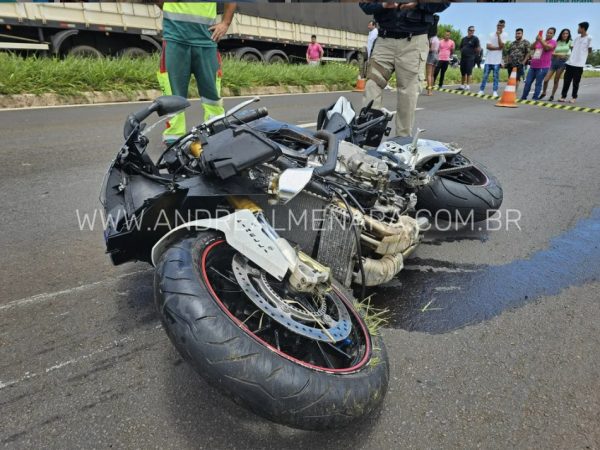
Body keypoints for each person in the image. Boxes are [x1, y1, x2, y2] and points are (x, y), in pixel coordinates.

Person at [359, 1, 450, 137]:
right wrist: (383, 4)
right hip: (384, 40)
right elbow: (364, 4)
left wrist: (418, 3)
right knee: (372, 86)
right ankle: (367, 140)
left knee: (408, 94)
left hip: (414, 41)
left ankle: (401, 142)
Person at [157, 1, 236, 144]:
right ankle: (174, 138)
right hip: (175, 39)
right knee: (173, 93)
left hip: (206, 41)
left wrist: (225, 23)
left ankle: (215, 133)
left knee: (211, 94)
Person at [559, 22, 592, 103]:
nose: (577, 29)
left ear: (583, 28)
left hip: (579, 64)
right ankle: (563, 96)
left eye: (579, 28)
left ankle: (574, 97)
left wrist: (583, 55)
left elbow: (590, 50)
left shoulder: (589, 38)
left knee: (576, 82)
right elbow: (572, 47)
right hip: (570, 63)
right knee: (566, 81)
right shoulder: (577, 38)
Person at [521, 28, 556, 101]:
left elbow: (546, 48)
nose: (548, 34)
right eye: (548, 32)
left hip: (543, 67)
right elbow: (531, 47)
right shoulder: (540, 41)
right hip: (533, 65)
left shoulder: (553, 42)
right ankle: (523, 97)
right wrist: (537, 40)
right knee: (527, 82)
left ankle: (535, 98)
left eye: (551, 33)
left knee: (538, 83)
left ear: (553, 35)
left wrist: (540, 40)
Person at [540, 28, 572, 101]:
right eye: (563, 33)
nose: (565, 35)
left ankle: (552, 95)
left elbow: (570, 54)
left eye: (567, 33)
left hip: (562, 63)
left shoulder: (570, 42)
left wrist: (565, 55)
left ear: (568, 35)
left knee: (556, 80)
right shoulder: (557, 42)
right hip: (554, 62)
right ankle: (544, 92)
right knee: (546, 79)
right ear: (561, 34)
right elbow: (552, 53)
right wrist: (561, 54)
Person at [478, 20, 508, 98]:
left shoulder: (505, 35)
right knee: (485, 76)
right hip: (488, 59)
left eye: (501, 25)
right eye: (498, 25)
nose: (499, 26)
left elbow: (502, 46)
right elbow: (488, 47)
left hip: (497, 61)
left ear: (503, 26)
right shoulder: (491, 34)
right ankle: (481, 90)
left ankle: (495, 91)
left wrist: (498, 36)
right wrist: (498, 48)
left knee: (496, 76)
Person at [458, 25, 480, 90]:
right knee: (463, 71)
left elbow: (477, 48)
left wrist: (476, 55)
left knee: (468, 71)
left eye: (473, 30)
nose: (472, 31)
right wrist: (462, 51)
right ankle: (462, 85)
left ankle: (467, 85)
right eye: (470, 30)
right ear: (468, 31)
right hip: (463, 58)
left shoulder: (475, 39)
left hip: (470, 58)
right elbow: (461, 47)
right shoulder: (463, 39)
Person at [426, 20, 440, 96]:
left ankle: (429, 91)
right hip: (436, 56)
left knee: (428, 74)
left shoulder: (431, 39)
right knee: (432, 75)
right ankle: (431, 89)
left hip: (431, 55)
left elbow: (430, 49)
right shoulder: (437, 39)